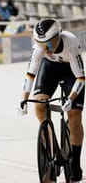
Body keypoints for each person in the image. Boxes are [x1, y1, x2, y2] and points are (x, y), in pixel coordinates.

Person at [19, 18, 84, 182]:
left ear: (58, 37)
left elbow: (81, 78)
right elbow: (30, 74)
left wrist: (70, 99)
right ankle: (50, 144)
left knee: (75, 115)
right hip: (50, 68)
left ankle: (75, 162)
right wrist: (23, 99)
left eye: (48, 43)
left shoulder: (71, 44)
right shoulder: (40, 48)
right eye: (40, 43)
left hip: (71, 73)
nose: (45, 48)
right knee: (39, 103)